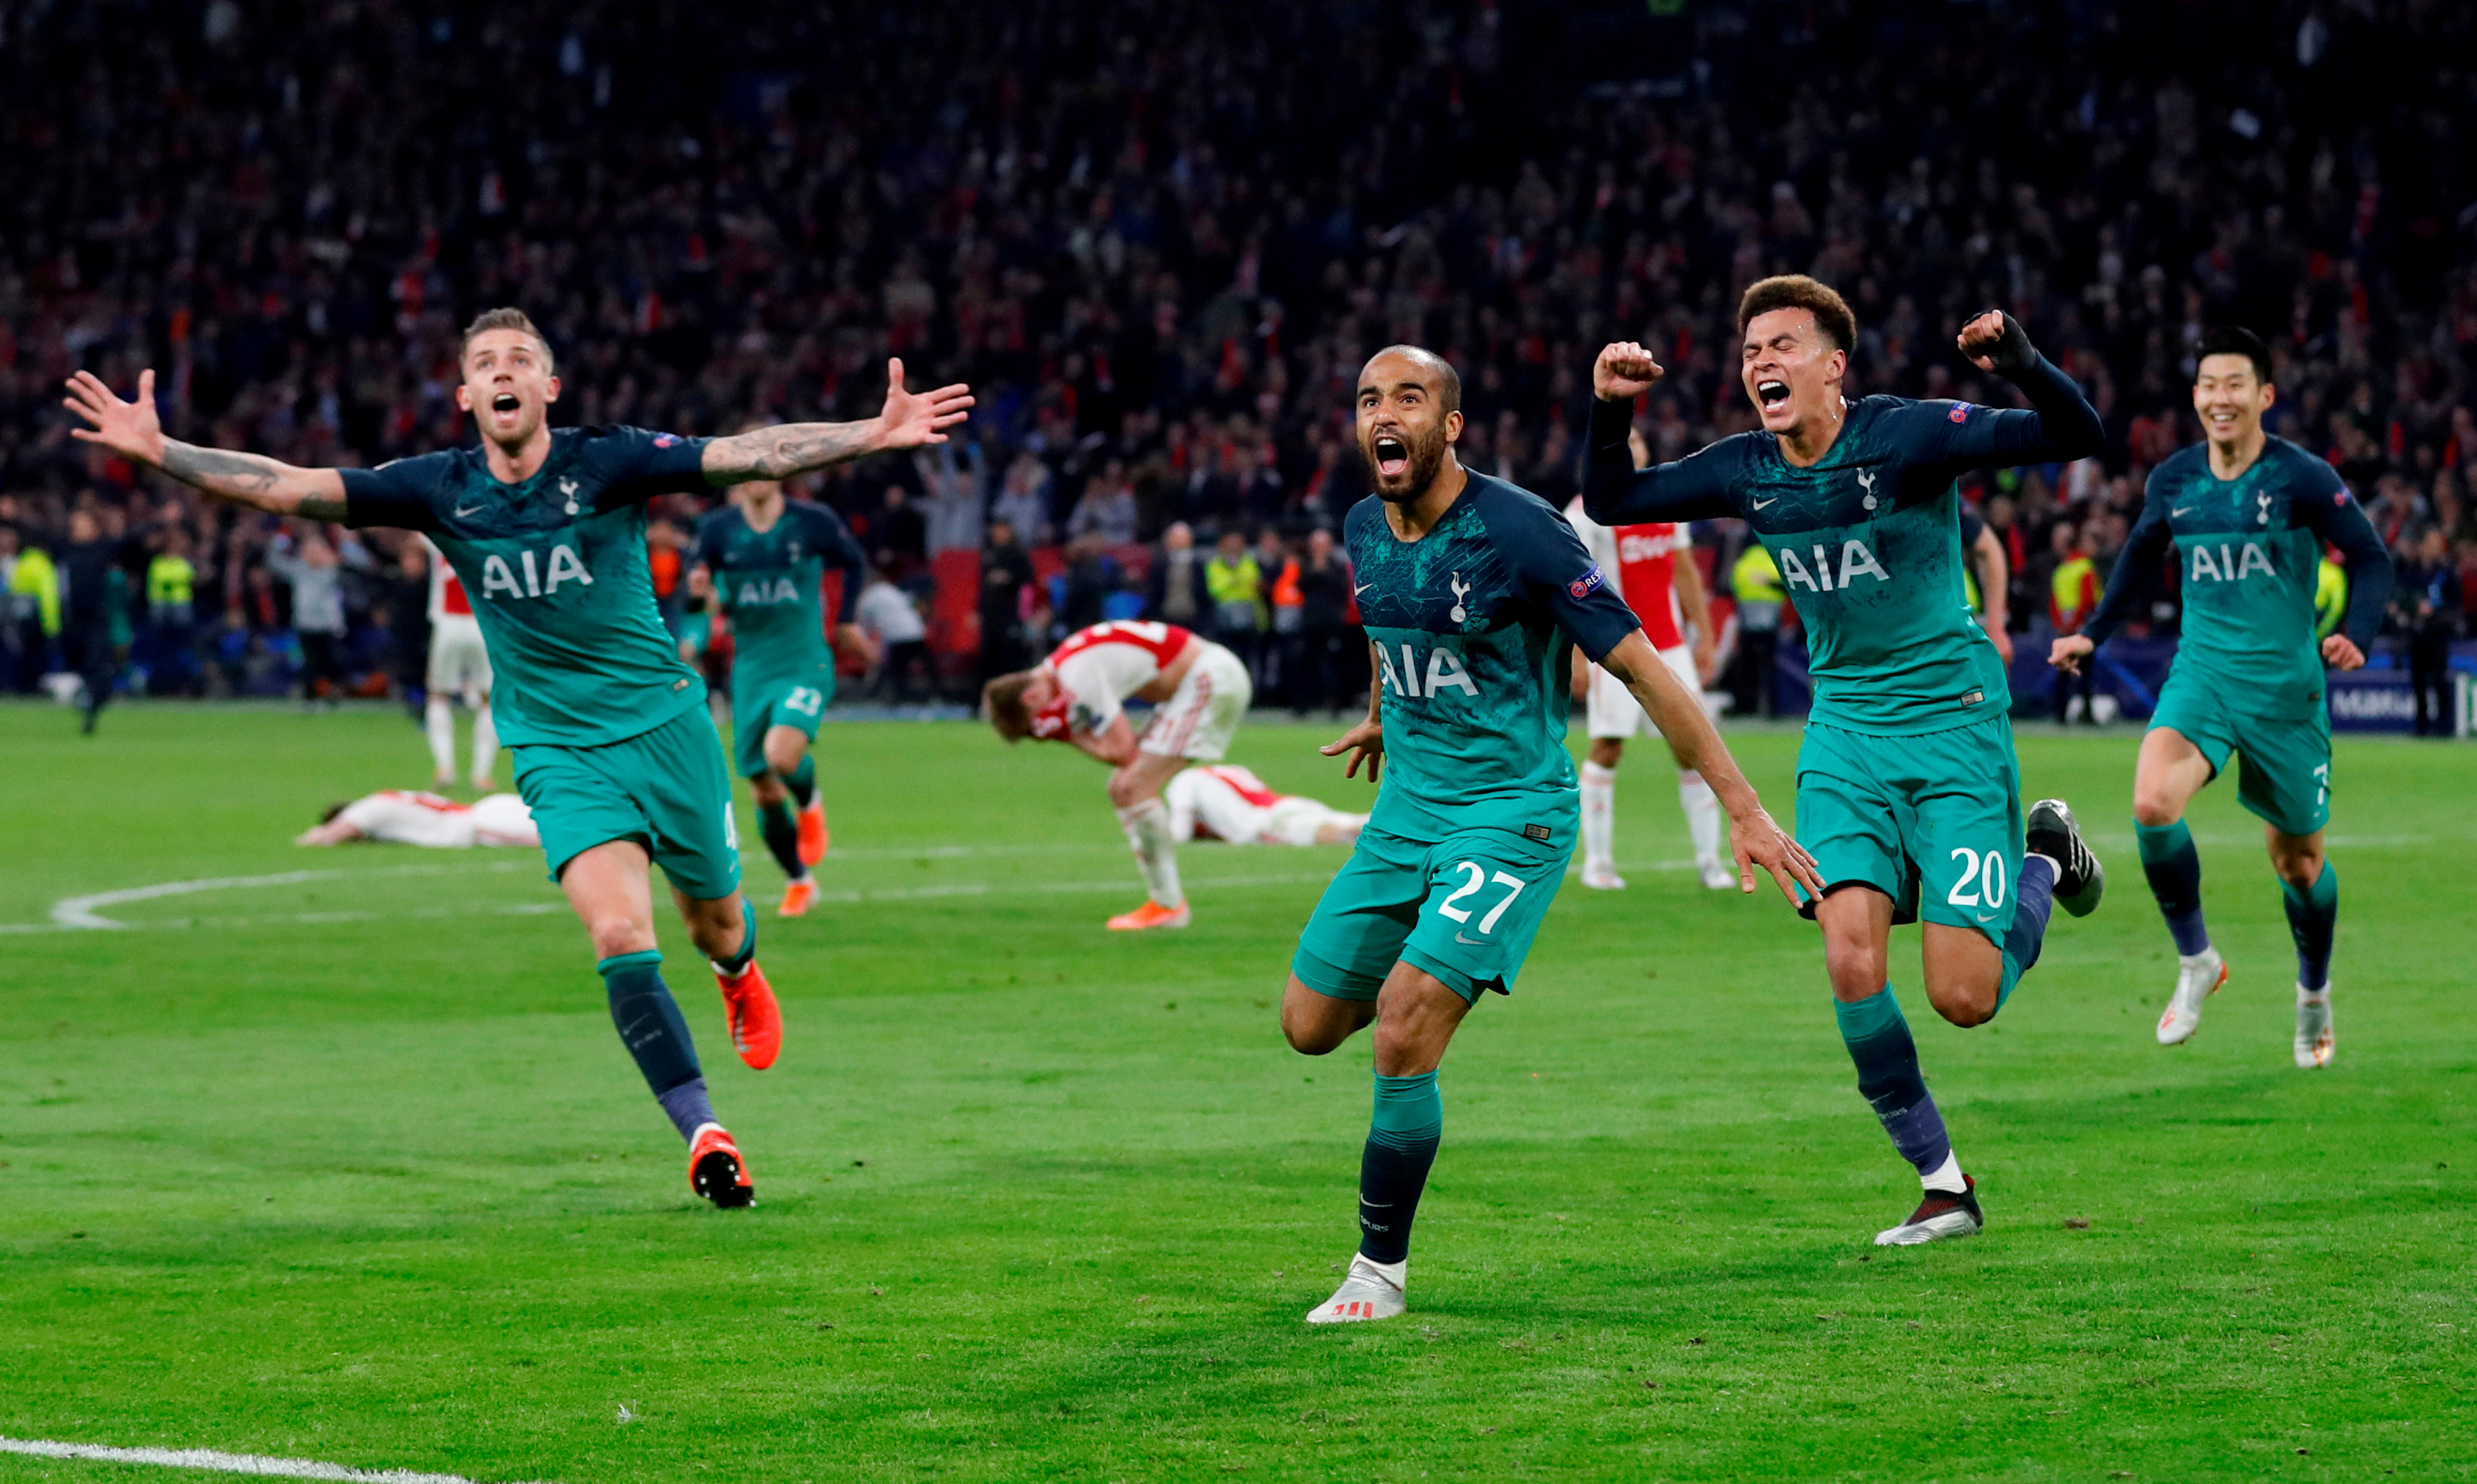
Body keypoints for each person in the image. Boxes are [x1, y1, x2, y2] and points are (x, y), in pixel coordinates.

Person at [65, 307, 972, 1208]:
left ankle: (736, 973)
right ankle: (703, 1132)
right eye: (485, 362)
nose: (503, 372)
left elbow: (754, 452)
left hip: (665, 730)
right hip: (552, 746)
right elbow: (283, 485)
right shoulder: (436, 489)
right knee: (618, 934)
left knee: (715, 927)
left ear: (549, 387)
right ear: (465, 394)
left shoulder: (607, 461)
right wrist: (165, 451)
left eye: (521, 359)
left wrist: (871, 432)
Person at [1283, 345, 1817, 1325]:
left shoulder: (1521, 532)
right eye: (1367, 399)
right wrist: (1378, 709)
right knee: (1307, 1025)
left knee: (1400, 1027)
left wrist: (1743, 808)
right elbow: (1386, 621)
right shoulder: (1364, 523)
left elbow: (1650, 674)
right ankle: (1432, 975)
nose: (1382, 414)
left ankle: (1376, 1272)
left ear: (1449, 427)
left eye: (1408, 397)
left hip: (1510, 814)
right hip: (1407, 810)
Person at [1587, 277, 2108, 1246]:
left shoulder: (1906, 436)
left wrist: (2023, 365)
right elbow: (1614, 498)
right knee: (1848, 953)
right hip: (1843, 736)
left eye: (1780, 345)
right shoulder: (1749, 469)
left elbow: (2075, 436)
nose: (1759, 364)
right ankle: (1942, 1186)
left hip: (1950, 724)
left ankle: (2044, 855)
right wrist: (1609, 406)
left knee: (1963, 996)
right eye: (1748, 351)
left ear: (1834, 366)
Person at [2056, 325, 2394, 1069]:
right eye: (2207, 384)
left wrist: (2359, 637)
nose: (2218, 397)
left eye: (2234, 384)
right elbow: (2141, 552)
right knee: (2150, 804)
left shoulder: (2299, 478)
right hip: (2202, 676)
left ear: (2263, 396)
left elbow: (2369, 556)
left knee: (2297, 866)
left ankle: (2311, 994)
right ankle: (2196, 961)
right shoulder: (2174, 481)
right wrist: (2093, 633)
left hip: (2284, 693)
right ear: (2196, 396)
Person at [982, 617, 1255, 929]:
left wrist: (1072, 738)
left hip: (1208, 680)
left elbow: (1123, 752)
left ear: (1029, 698)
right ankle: (1165, 904)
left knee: (1132, 787)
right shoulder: (1066, 665)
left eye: (1033, 725)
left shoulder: (1075, 677)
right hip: (1201, 678)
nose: (1041, 726)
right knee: (1124, 789)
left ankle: (1168, 906)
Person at [692, 459, 873, 917]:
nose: (756, 473)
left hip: (803, 660)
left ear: (781, 469)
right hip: (750, 668)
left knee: (781, 756)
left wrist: (847, 619)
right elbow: (699, 594)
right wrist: (697, 611)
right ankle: (799, 879)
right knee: (762, 787)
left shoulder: (811, 522)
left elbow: (854, 562)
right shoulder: (717, 530)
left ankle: (811, 803)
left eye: (766, 462)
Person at [1565, 427, 1732, 891]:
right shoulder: (1584, 515)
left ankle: (1710, 862)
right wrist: (1579, 656)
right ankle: (1597, 862)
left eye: (1636, 444)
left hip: (1672, 646)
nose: (1630, 451)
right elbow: (1569, 589)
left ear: (1645, 451)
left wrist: (1704, 638)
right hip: (1615, 647)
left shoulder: (1664, 500)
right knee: (1607, 747)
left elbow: (1683, 571)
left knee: (1693, 748)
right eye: (1621, 445)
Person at [419, 534, 497, 787]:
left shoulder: (441, 537)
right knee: (489, 699)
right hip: (482, 623)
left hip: (448, 623)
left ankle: (445, 767)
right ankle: (481, 774)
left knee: (438, 696)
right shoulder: (492, 539)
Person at [1163, 763, 1366, 847]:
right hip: (1290, 804)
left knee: (1331, 833)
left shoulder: (1181, 783)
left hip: (1268, 822)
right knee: (1362, 821)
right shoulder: (1222, 770)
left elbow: (1179, 834)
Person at [296, 789, 540, 849]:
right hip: (491, 806)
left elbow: (339, 832)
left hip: (481, 824)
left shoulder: (364, 810)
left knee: (557, 840)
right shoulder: (384, 797)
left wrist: (309, 838)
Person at [2395, 525, 2463, 737]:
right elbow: (2402, 597)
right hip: (2417, 633)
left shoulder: (2447, 573)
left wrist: (2436, 612)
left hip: (2438, 634)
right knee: (2419, 680)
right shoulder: (2412, 571)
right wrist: (2414, 607)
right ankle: (2422, 726)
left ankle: (2444, 725)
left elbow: (2456, 605)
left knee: (2439, 680)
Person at [2046, 520, 2100, 723]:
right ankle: (2087, 714)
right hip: (2082, 628)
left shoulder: (2061, 571)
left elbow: (2054, 602)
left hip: (2063, 629)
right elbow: (2087, 600)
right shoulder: (2085, 567)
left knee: (2063, 673)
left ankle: (2060, 713)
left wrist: (2061, 625)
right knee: (2085, 674)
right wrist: (2079, 624)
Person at [975, 516, 1036, 685]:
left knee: (1009, 654)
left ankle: (1012, 695)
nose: (999, 533)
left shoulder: (1018, 554)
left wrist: (1009, 578)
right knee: (987, 655)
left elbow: (1029, 579)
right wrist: (978, 611)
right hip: (990, 613)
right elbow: (982, 585)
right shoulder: (988, 552)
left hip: (1010, 612)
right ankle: (981, 698)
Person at [855, 567, 931, 701]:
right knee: (929, 667)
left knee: (897, 671)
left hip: (897, 637)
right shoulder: (891, 590)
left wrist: (866, 643)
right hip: (916, 630)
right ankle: (939, 694)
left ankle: (896, 698)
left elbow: (863, 625)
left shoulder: (868, 597)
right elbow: (910, 604)